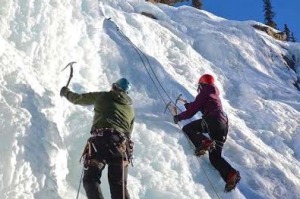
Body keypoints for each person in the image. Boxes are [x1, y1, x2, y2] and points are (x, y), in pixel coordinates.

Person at [60, 78, 135, 199]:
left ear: (114, 86)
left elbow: (78, 99)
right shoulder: (130, 110)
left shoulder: (103, 96)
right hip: (122, 148)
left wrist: (65, 92)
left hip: (102, 142)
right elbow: (128, 132)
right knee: (118, 186)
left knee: (90, 179)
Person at [173, 74, 241, 192]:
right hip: (223, 125)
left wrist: (178, 117)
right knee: (215, 158)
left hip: (212, 120)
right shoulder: (213, 93)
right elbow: (200, 105)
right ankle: (231, 174)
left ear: (202, 84)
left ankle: (204, 141)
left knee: (188, 128)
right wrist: (187, 104)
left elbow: (192, 111)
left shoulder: (205, 90)